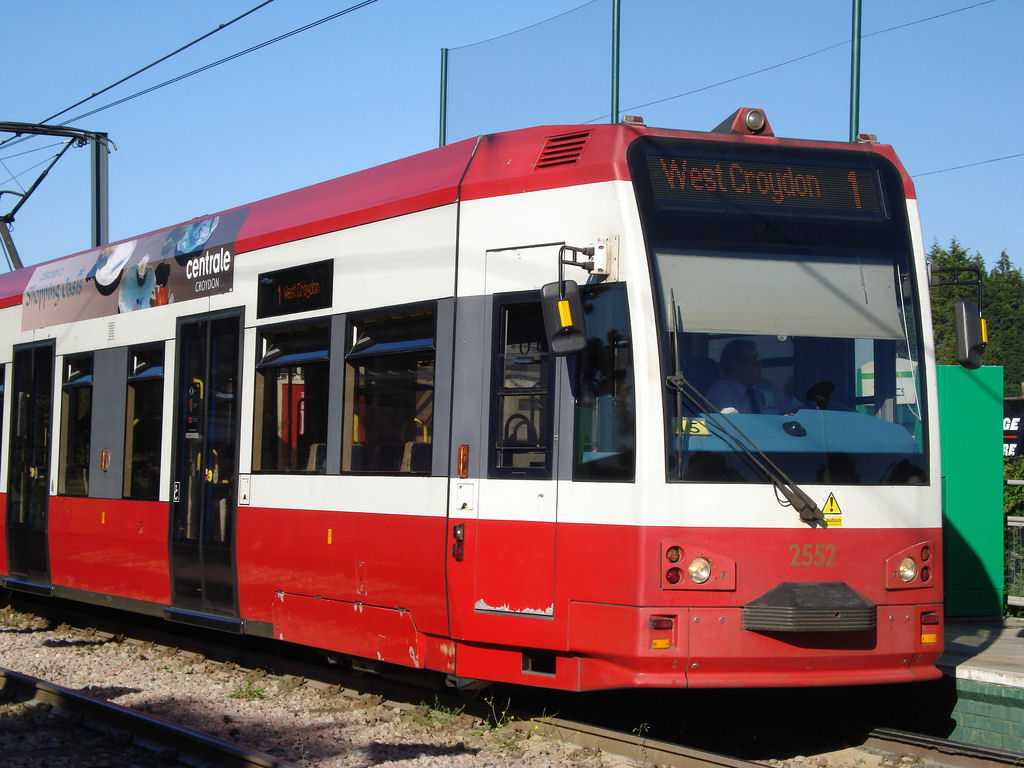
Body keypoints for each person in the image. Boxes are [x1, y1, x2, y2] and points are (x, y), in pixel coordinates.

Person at [706, 339, 802, 414]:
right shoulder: (720, 391)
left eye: (759, 360)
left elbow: (796, 408)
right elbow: (730, 423)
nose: (760, 365)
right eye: (754, 360)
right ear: (736, 365)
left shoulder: (768, 388)